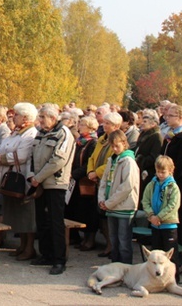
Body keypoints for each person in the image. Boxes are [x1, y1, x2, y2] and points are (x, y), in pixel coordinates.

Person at [28, 103, 76, 275]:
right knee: (42, 220)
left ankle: (58, 259)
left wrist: (38, 177)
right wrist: (31, 175)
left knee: (56, 222)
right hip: (39, 182)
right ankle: (46, 254)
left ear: (53, 118)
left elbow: (58, 160)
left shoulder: (63, 134)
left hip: (55, 183)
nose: (39, 120)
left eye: (42, 117)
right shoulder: (41, 133)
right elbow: (32, 155)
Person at [98, 130, 139, 265]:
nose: (115, 149)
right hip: (110, 205)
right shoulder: (112, 160)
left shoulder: (128, 161)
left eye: (117, 146)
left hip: (124, 206)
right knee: (113, 239)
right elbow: (104, 181)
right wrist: (102, 199)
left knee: (124, 240)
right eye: (112, 146)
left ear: (124, 143)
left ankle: (126, 267)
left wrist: (109, 202)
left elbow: (127, 186)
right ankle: (115, 266)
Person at [87, 111, 123, 257]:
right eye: (105, 122)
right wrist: (90, 172)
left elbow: (113, 160)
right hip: (97, 180)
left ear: (116, 126)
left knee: (107, 214)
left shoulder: (117, 141)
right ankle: (108, 243)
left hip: (109, 180)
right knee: (99, 213)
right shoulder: (102, 139)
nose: (104, 125)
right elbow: (92, 157)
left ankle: (112, 245)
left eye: (108, 123)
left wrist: (98, 173)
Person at [161, 104, 182, 247]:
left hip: (179, 180)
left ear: (181, 118)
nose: (167, 118)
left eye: (171, 116)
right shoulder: (169, 136)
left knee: (181, 214)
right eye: (166, 115)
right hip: (166, 179)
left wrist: (170, 178)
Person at [66, 114, 99, 252]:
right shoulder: (79, 141)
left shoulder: (93, 142)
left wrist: (74, 174)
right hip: (74, 181)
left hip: (85, 181)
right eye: (79, 124)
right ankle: (75, 236)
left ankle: (89, 239)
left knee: (88, 211)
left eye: (83, 125)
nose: (79, 127)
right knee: (73, 208)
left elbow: (89, 162)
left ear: (91, 128)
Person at [142, 155, 180, 261]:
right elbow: (145, 201)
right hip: (155, 225)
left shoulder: (173, 187)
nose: (160, 175)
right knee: (156, 254)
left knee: (170, 256)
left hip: (169, 226)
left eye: (163, 172)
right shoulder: (152, 184)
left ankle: (173, 277)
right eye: (158, 172)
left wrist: (159, 217)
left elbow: (173, 205)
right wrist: (151, 215)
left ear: (170, 171)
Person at [135, 109, 164, 204]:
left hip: (147, 173)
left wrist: (139, 161)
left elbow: (154, 157)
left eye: (145, 121)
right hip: (139, 170)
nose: (141, 123)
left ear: (153, 124)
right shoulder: (143, 134)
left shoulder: (156, 137)